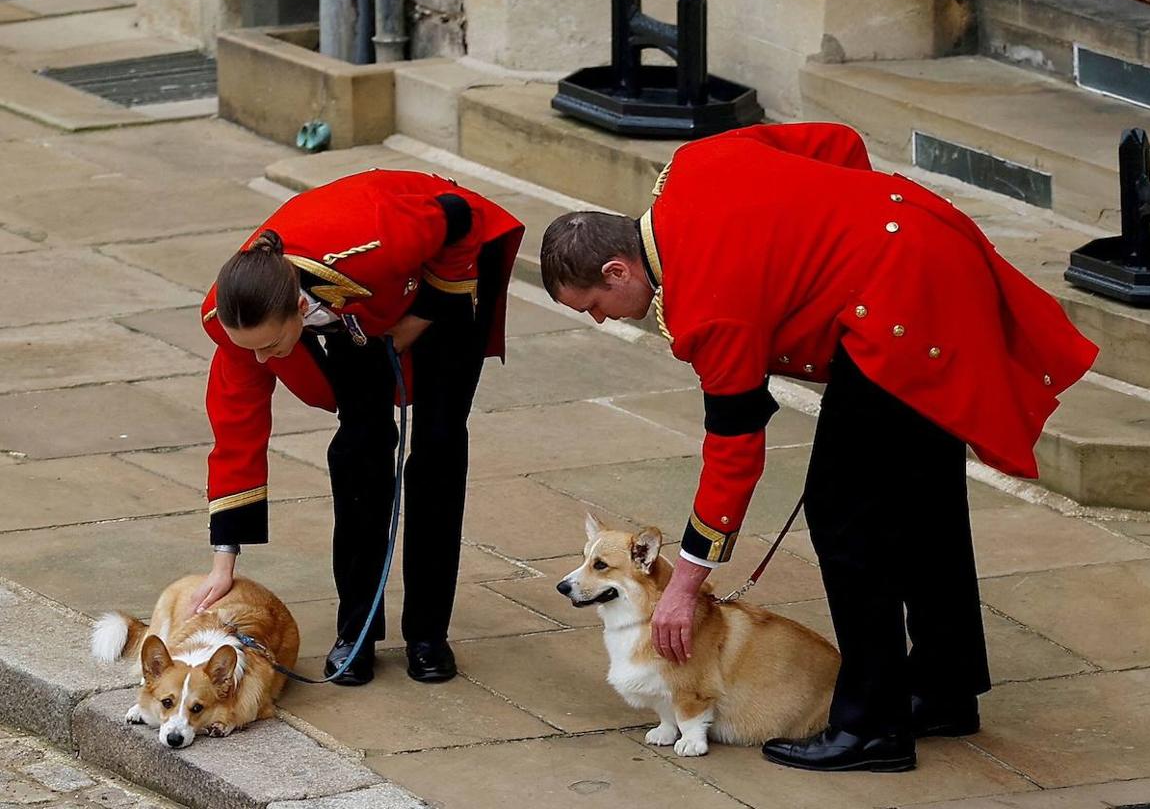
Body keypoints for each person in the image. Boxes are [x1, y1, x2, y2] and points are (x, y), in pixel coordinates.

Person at [537, 123, 1097, 772]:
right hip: (923, 241)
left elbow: (735, 453)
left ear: (617, 268)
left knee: (843, 514)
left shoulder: (707, 307)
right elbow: (836, 144)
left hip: (899, 308)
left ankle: (873, 726)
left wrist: (683, 586)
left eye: (597, 306)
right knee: (922, 496)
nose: (604, 319)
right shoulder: (691, 166)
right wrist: (843, 233)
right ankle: (944, 687)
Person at [193, 169, 524, 686]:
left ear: (299, 309)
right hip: (357, 314)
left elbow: (461, 220)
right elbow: (235, 433)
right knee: (359, 449)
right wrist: (223, 560)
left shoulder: (376, 238)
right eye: (249, 346)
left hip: (443, 279)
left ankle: (428, 634)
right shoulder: (237, 319)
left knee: (437, 446)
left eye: (268, 345)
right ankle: (357, 631)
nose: (258, 358)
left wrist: (421, 317)